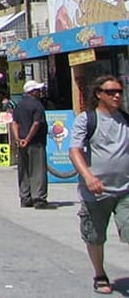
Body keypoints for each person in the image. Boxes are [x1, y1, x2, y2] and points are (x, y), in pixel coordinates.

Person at [68, 75, 129, 295]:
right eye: (111, 92)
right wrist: (88, 177)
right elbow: (74, 150)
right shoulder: (87, 119)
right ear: (98, 94)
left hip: (125, 190)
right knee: (95, 236)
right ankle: (100, 273)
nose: (117, 96)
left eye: (120, 92)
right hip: (96, 192)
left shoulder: (125, 119)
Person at [12, 80, 50, 209]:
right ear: (32, 92)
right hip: (35, 142)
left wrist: (18, 139)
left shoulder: (19, 105)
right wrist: (28, 139)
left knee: (24, 170)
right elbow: (36, 123)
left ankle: (25, 197)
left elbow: (15, 123)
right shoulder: (37, 105)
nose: (39, 92)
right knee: (37, 170)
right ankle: (38, 198)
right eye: (37, 90)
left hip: (22, 142)